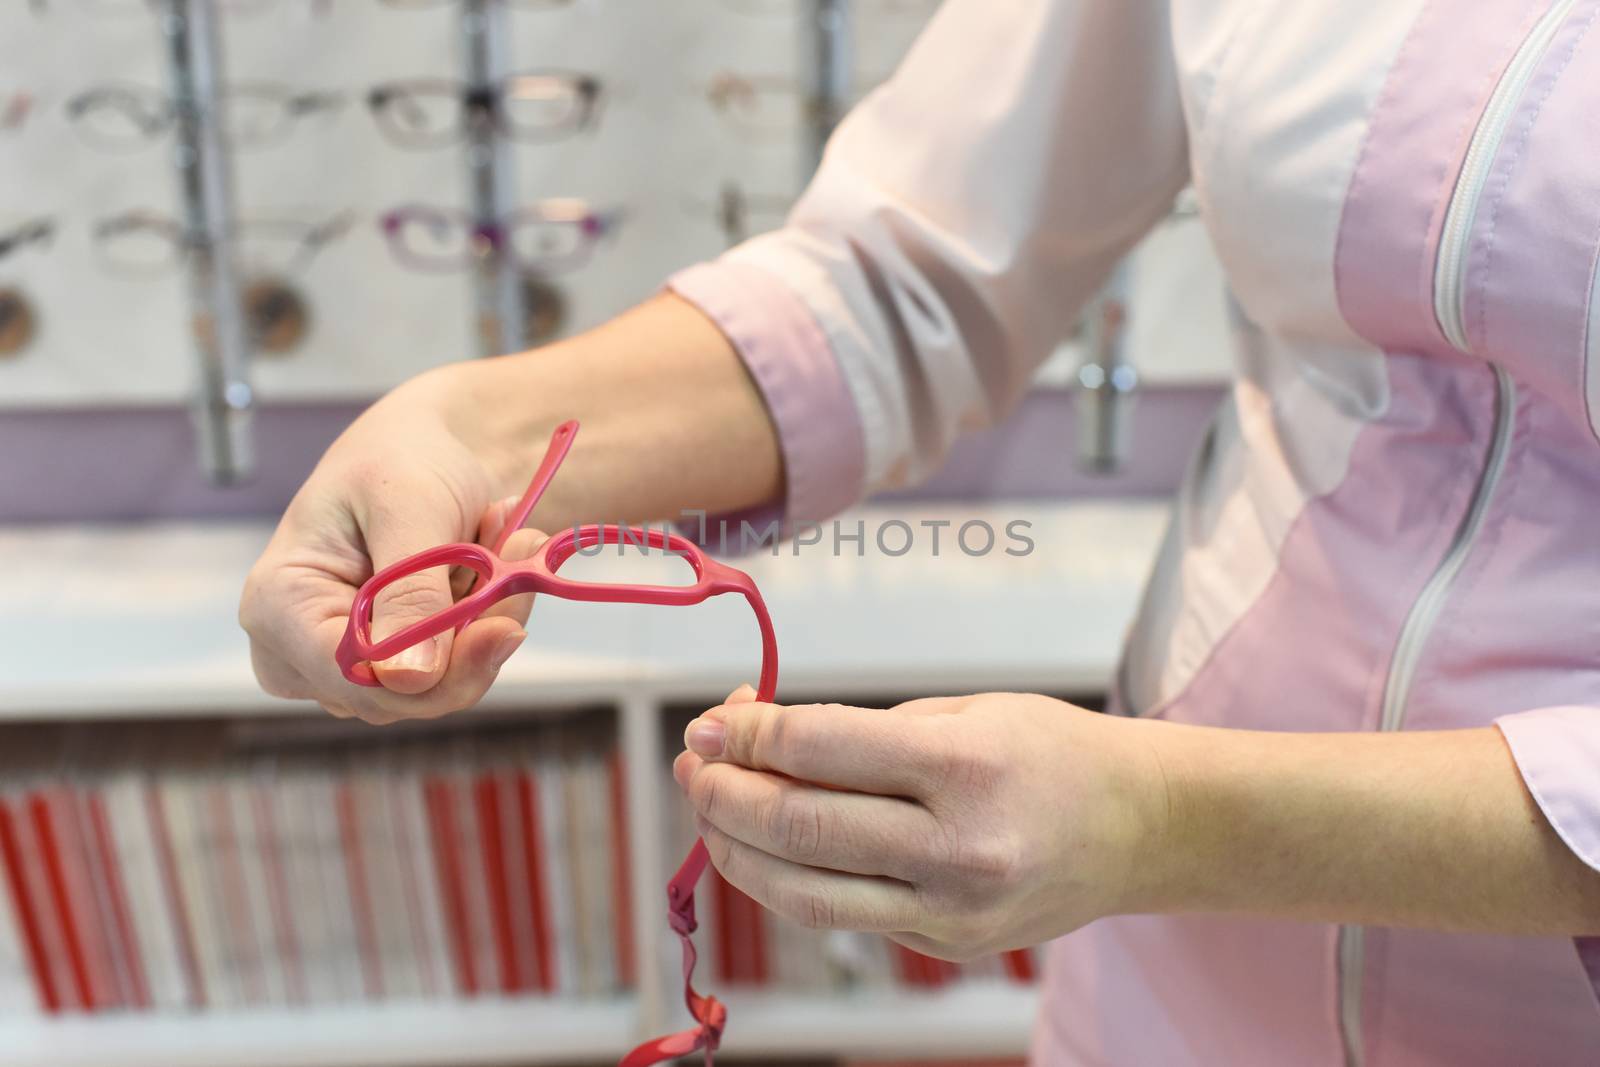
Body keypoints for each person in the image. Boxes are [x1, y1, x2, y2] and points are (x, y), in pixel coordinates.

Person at [240, 2, 1600, 1062]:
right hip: (1157, 991)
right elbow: (916, 271)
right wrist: (472, 435)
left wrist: (1161, 818)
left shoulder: (1142, 827)